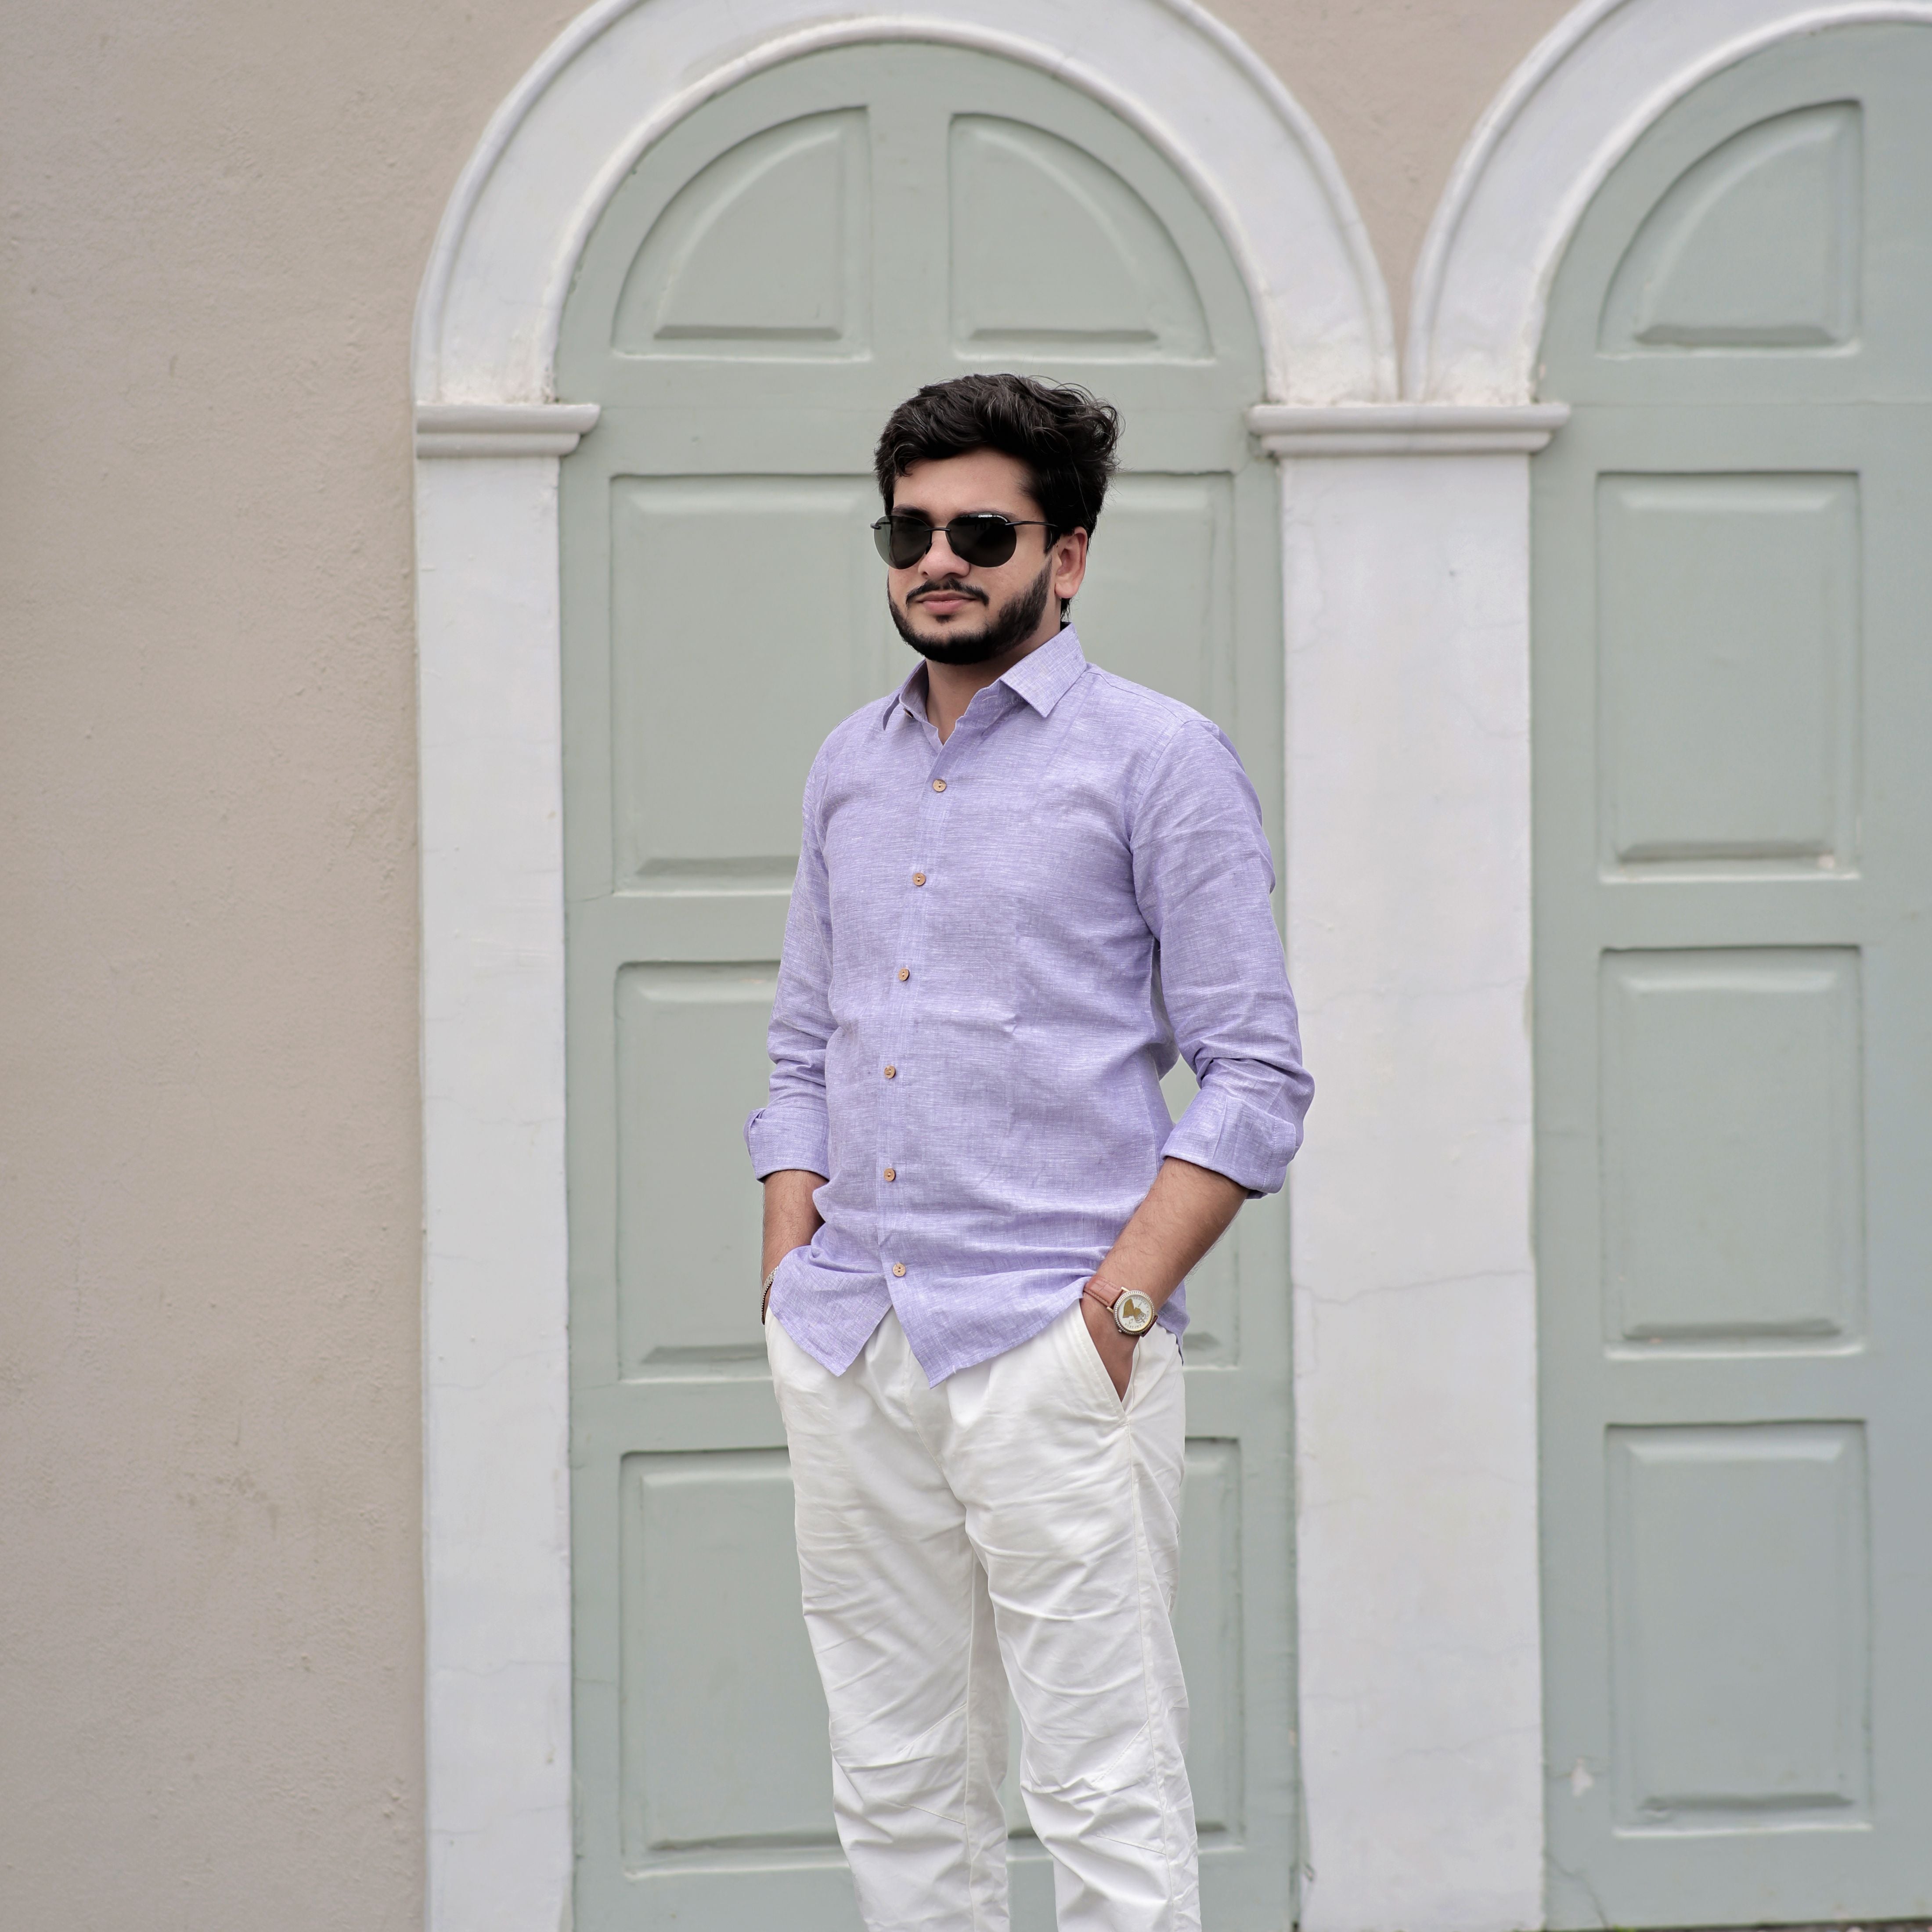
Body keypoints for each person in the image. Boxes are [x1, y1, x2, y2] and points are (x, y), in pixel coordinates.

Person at [744, 372, 1312, 1932]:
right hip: (852, 1340)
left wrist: (1113, 1316)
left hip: (1051, 1349)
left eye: (980, 533)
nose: (938, 560)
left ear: (1066, 555)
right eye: (909, 531)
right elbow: (802, 1046)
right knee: (894, 1776)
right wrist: (790, 1263)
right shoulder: (848, 767)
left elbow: (1257, 1074)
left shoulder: (1160, 760)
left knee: (1102, 1786)